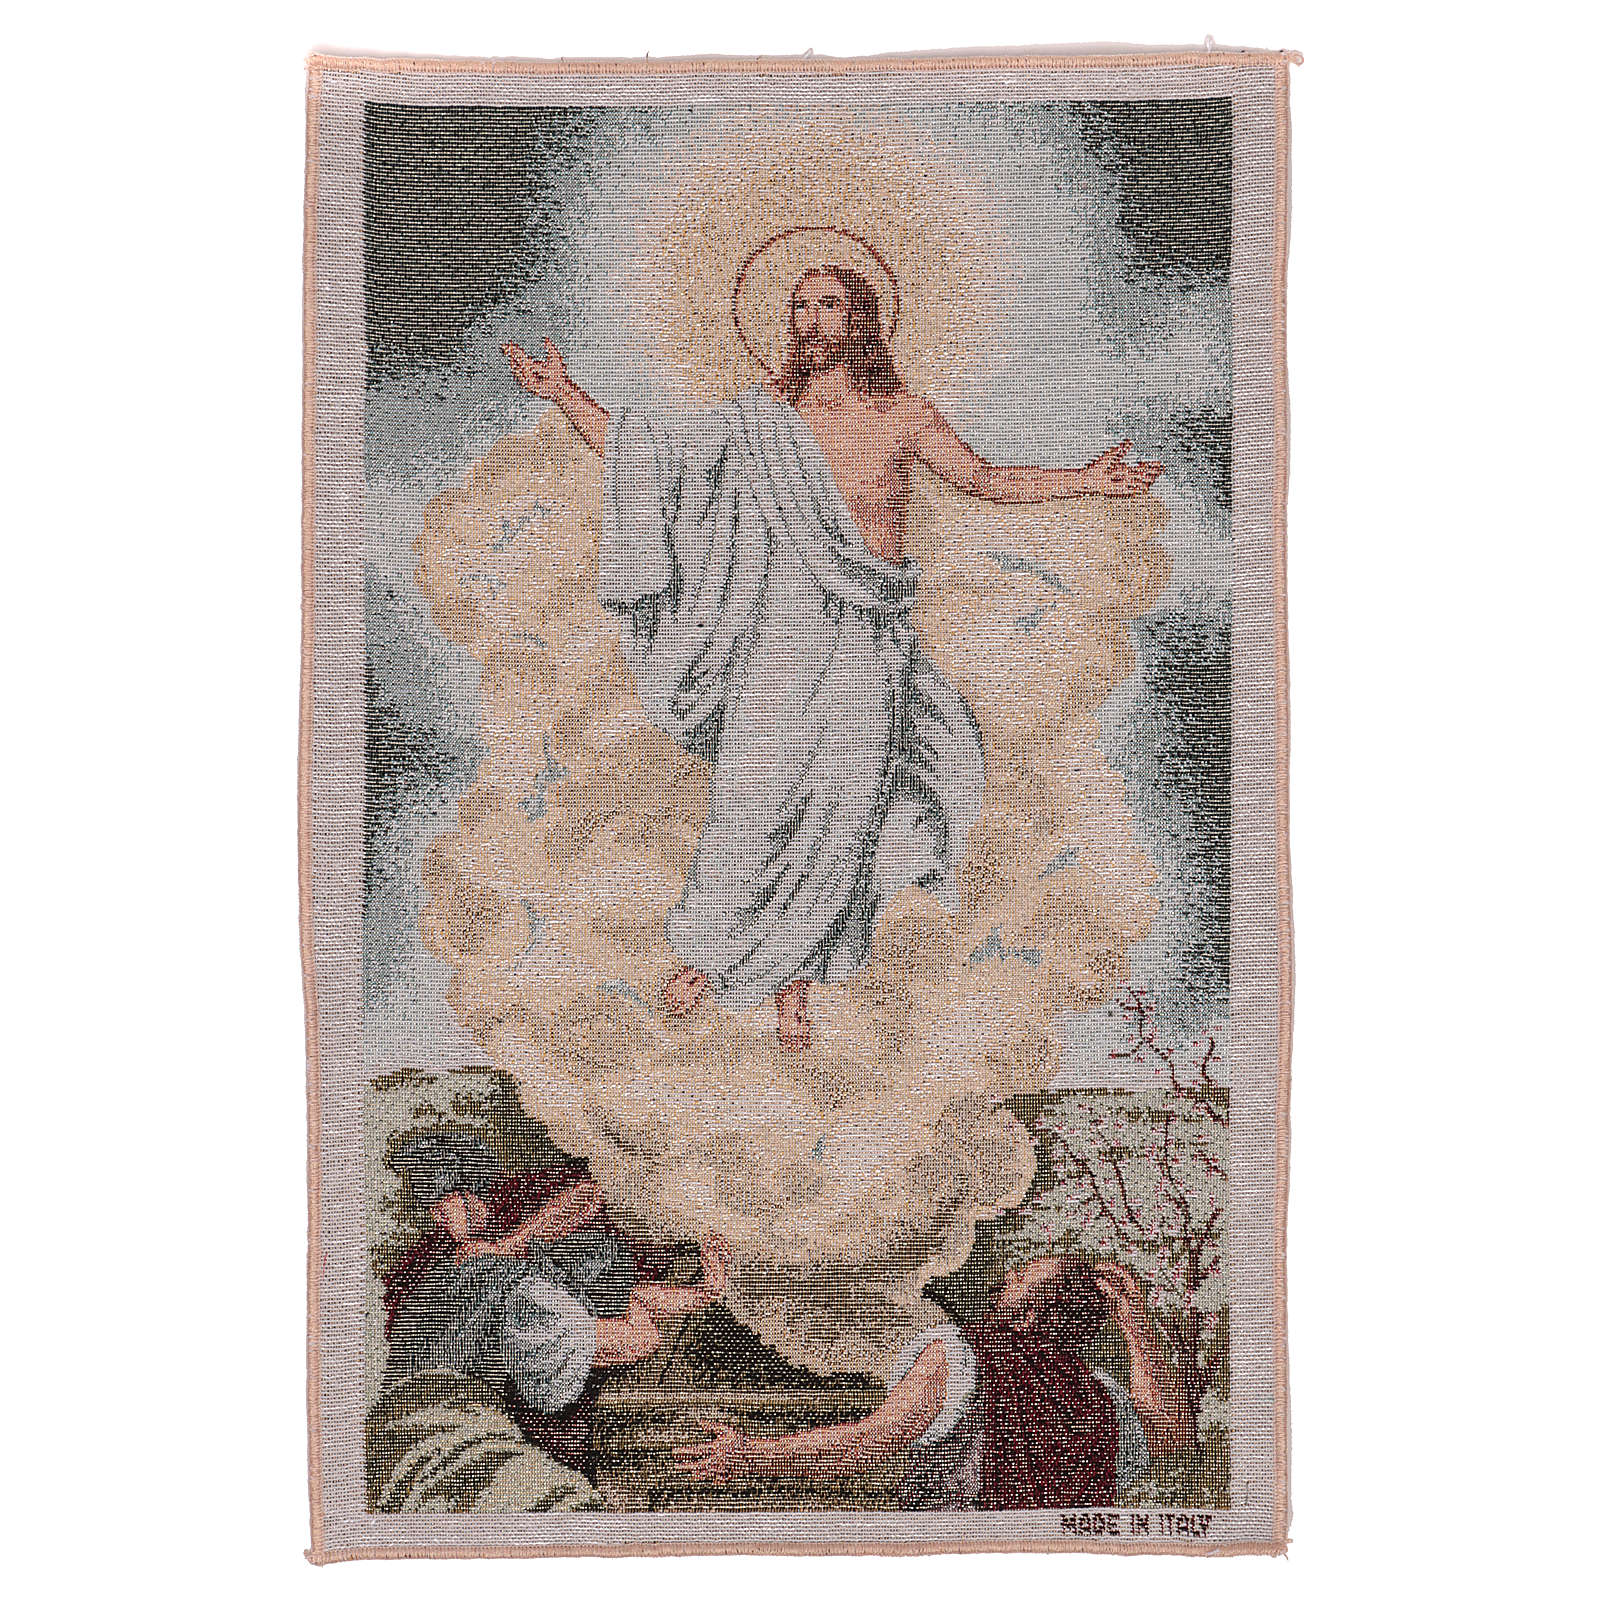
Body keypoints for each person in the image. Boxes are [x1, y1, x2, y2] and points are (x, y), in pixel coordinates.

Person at [504, 262, 1162, 1049]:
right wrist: (564, 394)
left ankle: (796, 981)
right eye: (799, 306)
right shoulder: (760, 420)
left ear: (862, 321)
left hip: (866, 646)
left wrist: (1085, 480)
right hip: (776, 643)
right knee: (751, 801)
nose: (810, 320)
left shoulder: (902, 414)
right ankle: (712, 955)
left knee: (842, 812)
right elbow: (646, 457)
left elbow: (985, 478)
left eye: (828, 305)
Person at [672, 1255, 1193, 1508]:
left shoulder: (959, 1357)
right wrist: (1136, 1326)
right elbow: (1173, 1434)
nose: (1006, 1276)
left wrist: (750, 1456)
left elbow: (874, 1438)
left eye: (1021, 1278)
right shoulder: (1099, 1397)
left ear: (1036, 1313)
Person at [381, 1137, 728, 1477]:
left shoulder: (516, 1207)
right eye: (432, 1209)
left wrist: (508, 1246)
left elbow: (590, 1197)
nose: (437, 1218)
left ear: (467, 1195)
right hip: (506, 1352)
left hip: (535, 1329)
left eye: (441, 1206)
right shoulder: (451, 1261)